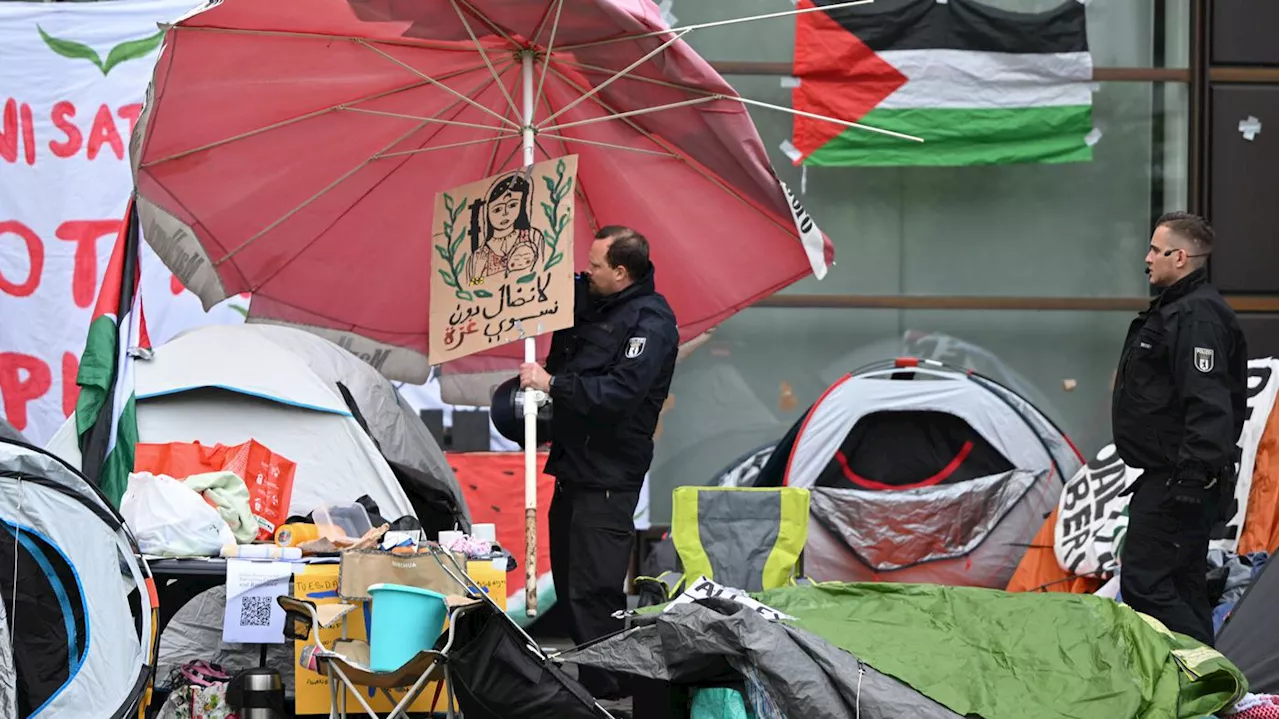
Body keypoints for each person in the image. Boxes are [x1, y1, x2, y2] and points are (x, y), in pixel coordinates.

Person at [519, 225, 679, 698]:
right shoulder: (591, 300)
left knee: (595, 592)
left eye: (595, 266)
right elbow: (555, 292)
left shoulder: (651, 322)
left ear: (622, 272)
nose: (586, 272)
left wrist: (552, 385)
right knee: (570, 589)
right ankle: (593, 684)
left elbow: (620, 394)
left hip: (609, 476)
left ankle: (612, 694)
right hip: (571, 469)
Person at [1112, 211, 1247, 645]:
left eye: (1155, 249)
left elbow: (1207, 402)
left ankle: (1208, 684)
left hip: (1181, 479)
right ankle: (1203, 693)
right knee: (1185, 585)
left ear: (1181, 256)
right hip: (1171, 475)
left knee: (1145, 583)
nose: (1147, 258)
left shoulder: (1196, 316)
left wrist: (1193, 476)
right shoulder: (1177, 310)